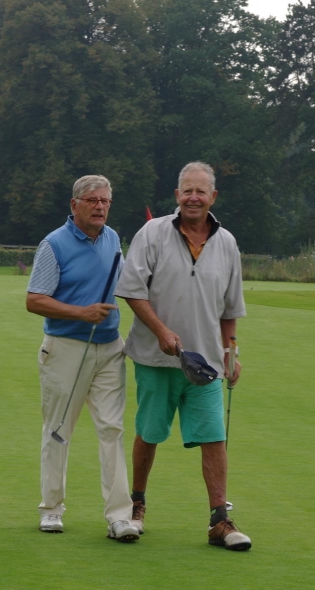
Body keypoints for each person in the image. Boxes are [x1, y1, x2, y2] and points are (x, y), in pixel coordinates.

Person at [115, 161, 252, 551]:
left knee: (214, 437)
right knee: (149, 433)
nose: (194, 198)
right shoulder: (153, 233)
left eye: (201, 191)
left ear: (213, 197)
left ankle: (219, 521)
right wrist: (160, 331)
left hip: (205, 364)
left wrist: (231, 352)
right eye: (187, 191)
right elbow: (132, 290)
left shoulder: (227, 243)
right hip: (156, 359)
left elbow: (230, 308)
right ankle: (136, 506)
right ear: (177, 195)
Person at [26, 175, 140, 543]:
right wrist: (81, 312)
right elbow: (34, 300)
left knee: (112, 429)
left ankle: (120, 517)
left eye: (105, 201)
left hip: (109, 348)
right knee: (58, 429)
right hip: (65, 348)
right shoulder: (54, 245)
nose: (100, 206)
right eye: (92, 200)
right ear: (74, 205)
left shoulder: (113, 240)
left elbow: (128, 284)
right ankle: (51, 508)